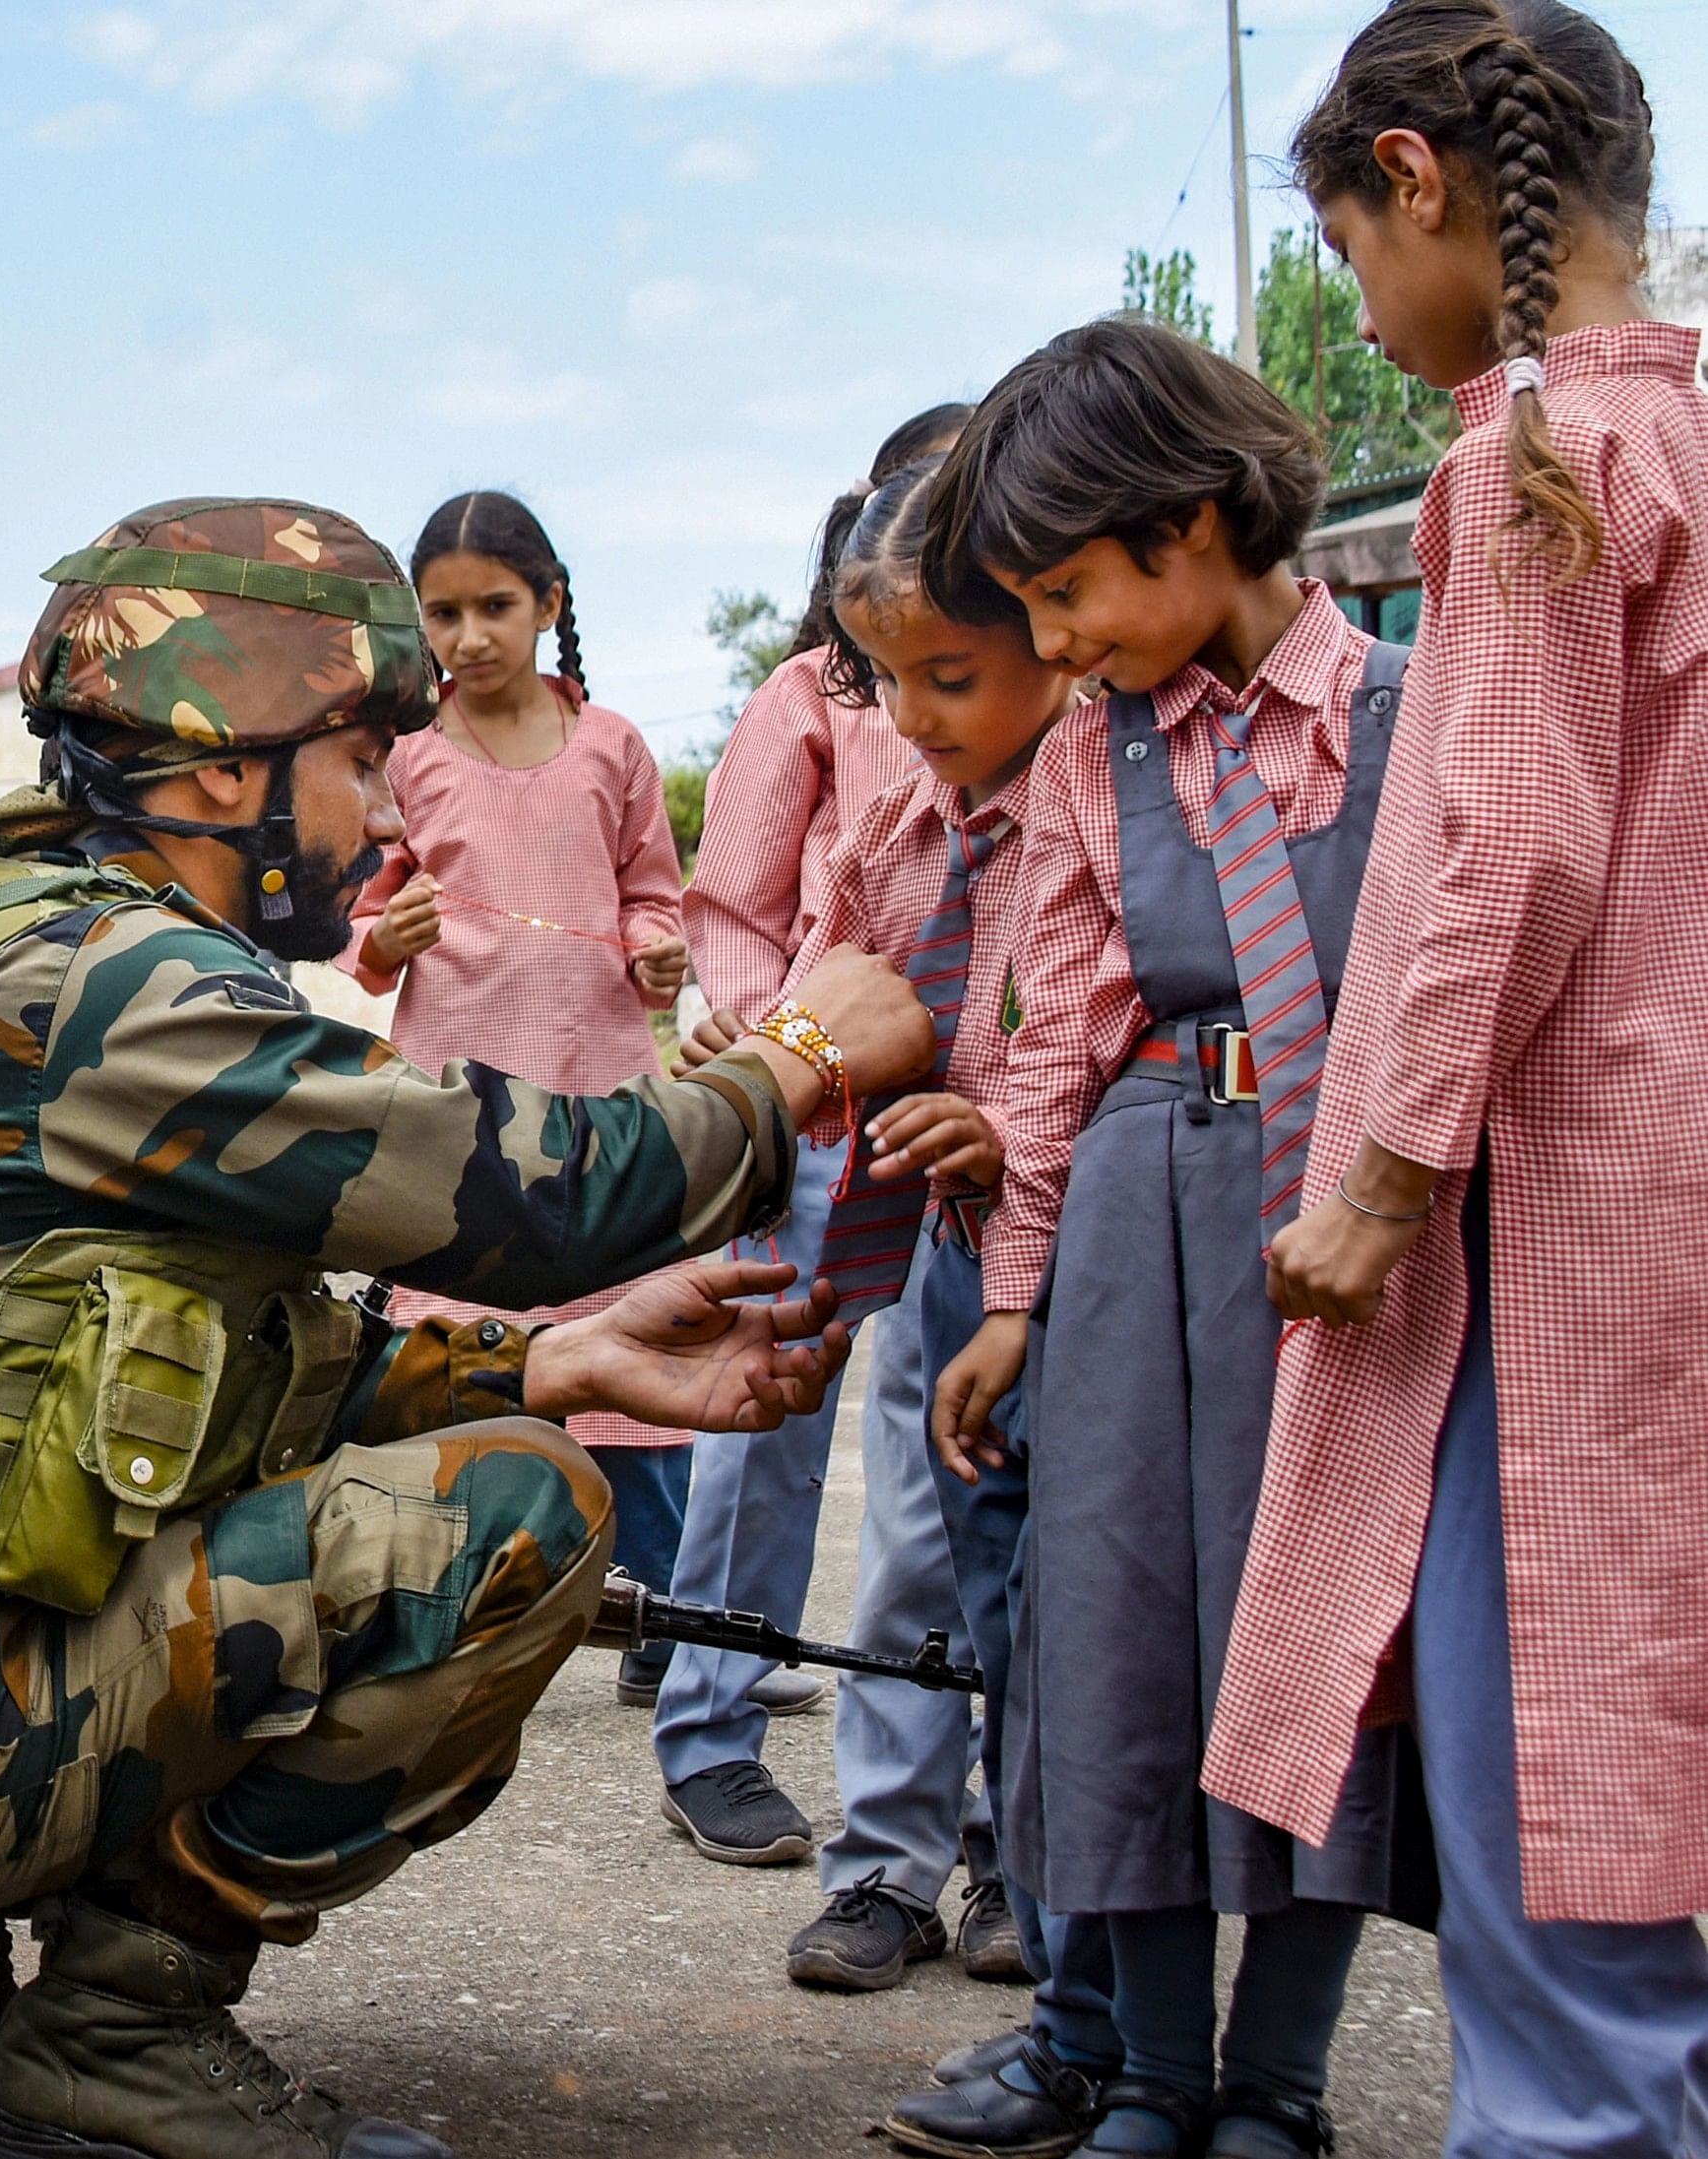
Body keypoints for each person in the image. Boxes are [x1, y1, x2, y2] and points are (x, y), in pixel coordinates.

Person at [0, 496, 935, 2159]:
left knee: (456, 1449)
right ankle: (117, 2030)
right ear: (222, 769)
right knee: (516, 1522)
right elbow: (554, 1192)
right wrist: (801, 1040)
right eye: (360, 760)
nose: (384, 821)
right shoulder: (133, 995)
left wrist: (545, 1360)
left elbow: (171, 1359)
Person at [1219, 7, 1708, 2152]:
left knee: (1558, 1833)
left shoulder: (1526, 456)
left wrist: (1383, 1180)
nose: (1354, 303)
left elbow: (1505, 849)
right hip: (1670, 1200)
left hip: (1556, 1226)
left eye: (1340, 251)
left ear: (1413, 180)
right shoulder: (1684, 443)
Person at [910, 317, 1422, 2159]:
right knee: (1111, 1640)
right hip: (1138, 1204)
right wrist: (1014, 1296)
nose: (1044, 647)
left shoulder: (1396, 714)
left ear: (1194, 518)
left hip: (1335, 1222)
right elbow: (1049, 1047)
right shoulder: (1086, 761)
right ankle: (1144, 2068)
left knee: (1307, 1640)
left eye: (1062, 595)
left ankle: (1274, 2081)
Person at [749, 460, 1065, 2000]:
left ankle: (1027, 1867)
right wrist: (774, 1063)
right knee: (910, 1561)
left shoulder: (1110, 816)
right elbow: (830, 976)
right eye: (883, 682)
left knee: (1054, 1583)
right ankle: (881, 1864)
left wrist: (1004, 1125)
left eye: (947, 676)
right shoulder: (898, 826)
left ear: (1054, 639)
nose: (914, 713)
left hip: (1079, 1266)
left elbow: (1106, 1029)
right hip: (938, 1256)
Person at [647, 408, 963, 1874]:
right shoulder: (813, 691)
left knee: (944, 1441)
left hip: (974, 1132)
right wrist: (788, 1050)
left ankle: (949, 1780)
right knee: (766, 1410)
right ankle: (708, 1724)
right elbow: (732, 904)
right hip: (831, 1108)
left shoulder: (1047, 681)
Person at [339, 491, 711, 1699]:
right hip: (456, 1111)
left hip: (601, 1090)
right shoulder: (404, 759)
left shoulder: (610, 748)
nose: (468, 634)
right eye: (440, 612)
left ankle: (664, 1629)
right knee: (459, 1350)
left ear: (549, 604)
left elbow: (654, 893)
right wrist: (384, 938)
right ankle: (443, 1608)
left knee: (639, 1338)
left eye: (494, 605)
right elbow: (350, 911)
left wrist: (660, 947)